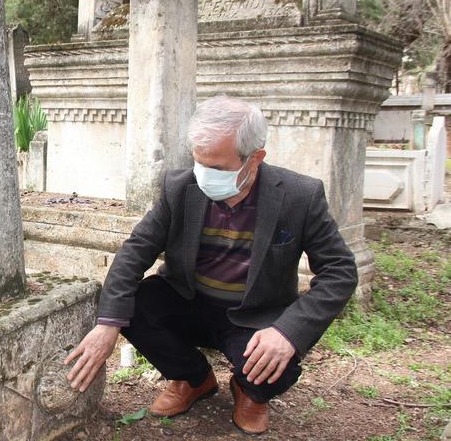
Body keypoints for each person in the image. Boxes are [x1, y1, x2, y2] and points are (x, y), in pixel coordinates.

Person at [63, 95, 358, 435]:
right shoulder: (181, 187)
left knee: (279, 365)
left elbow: (340, 271)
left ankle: (249, 392)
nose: (204, 175)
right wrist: (107, 324)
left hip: (253, 317)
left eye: (217, 168)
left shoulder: (298, 196)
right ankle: (194, 379)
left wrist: (288, 332)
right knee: (134, 307)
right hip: (189, 301)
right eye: (198, 162)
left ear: (255, 159)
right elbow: (136, 250)